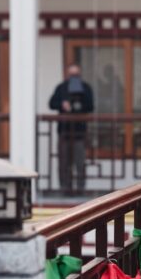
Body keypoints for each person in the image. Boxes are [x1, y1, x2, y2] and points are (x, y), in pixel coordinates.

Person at [48, 63, 94, 194]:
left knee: (80, 163)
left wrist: (79, 105)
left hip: (80, 132)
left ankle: (80, 189)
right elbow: (51, 104)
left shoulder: (85, 88)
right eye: (71, 74)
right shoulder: (61, 88)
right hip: (64, 132)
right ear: (67, 75)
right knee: (64, 163)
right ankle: (65, 188)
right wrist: (63, 105)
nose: (74, 77)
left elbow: (90, 106)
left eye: (76, 75)